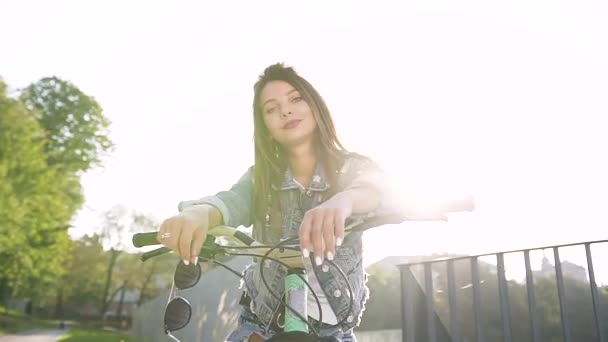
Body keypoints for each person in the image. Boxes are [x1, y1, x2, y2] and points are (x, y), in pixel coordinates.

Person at [157, 63, 404, 341]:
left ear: (315, 106)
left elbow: (376, 188)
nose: (285, 110)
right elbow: (232, 201)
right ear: (265, 127)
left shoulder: (351, 167)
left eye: (296, 99)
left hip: (334, 333)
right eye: (271, 108)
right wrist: (200, 213)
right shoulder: (260, 179)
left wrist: (344, 200)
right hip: (260, 329)